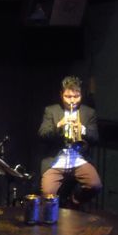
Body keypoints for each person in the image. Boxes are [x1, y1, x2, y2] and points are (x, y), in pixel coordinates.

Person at [38, 75, 102, 205]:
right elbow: (42, 134)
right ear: (61, 94)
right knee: (47, 193)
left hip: (79, 159)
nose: (72, 101)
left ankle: (73, 201)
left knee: (95, 185)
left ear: (81, 95)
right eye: (68, 96)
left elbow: (95, 138)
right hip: (56, 161)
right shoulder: (51, 111)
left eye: (76, 96)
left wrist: (82, 129)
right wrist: (58, 126)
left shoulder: (89, 112)